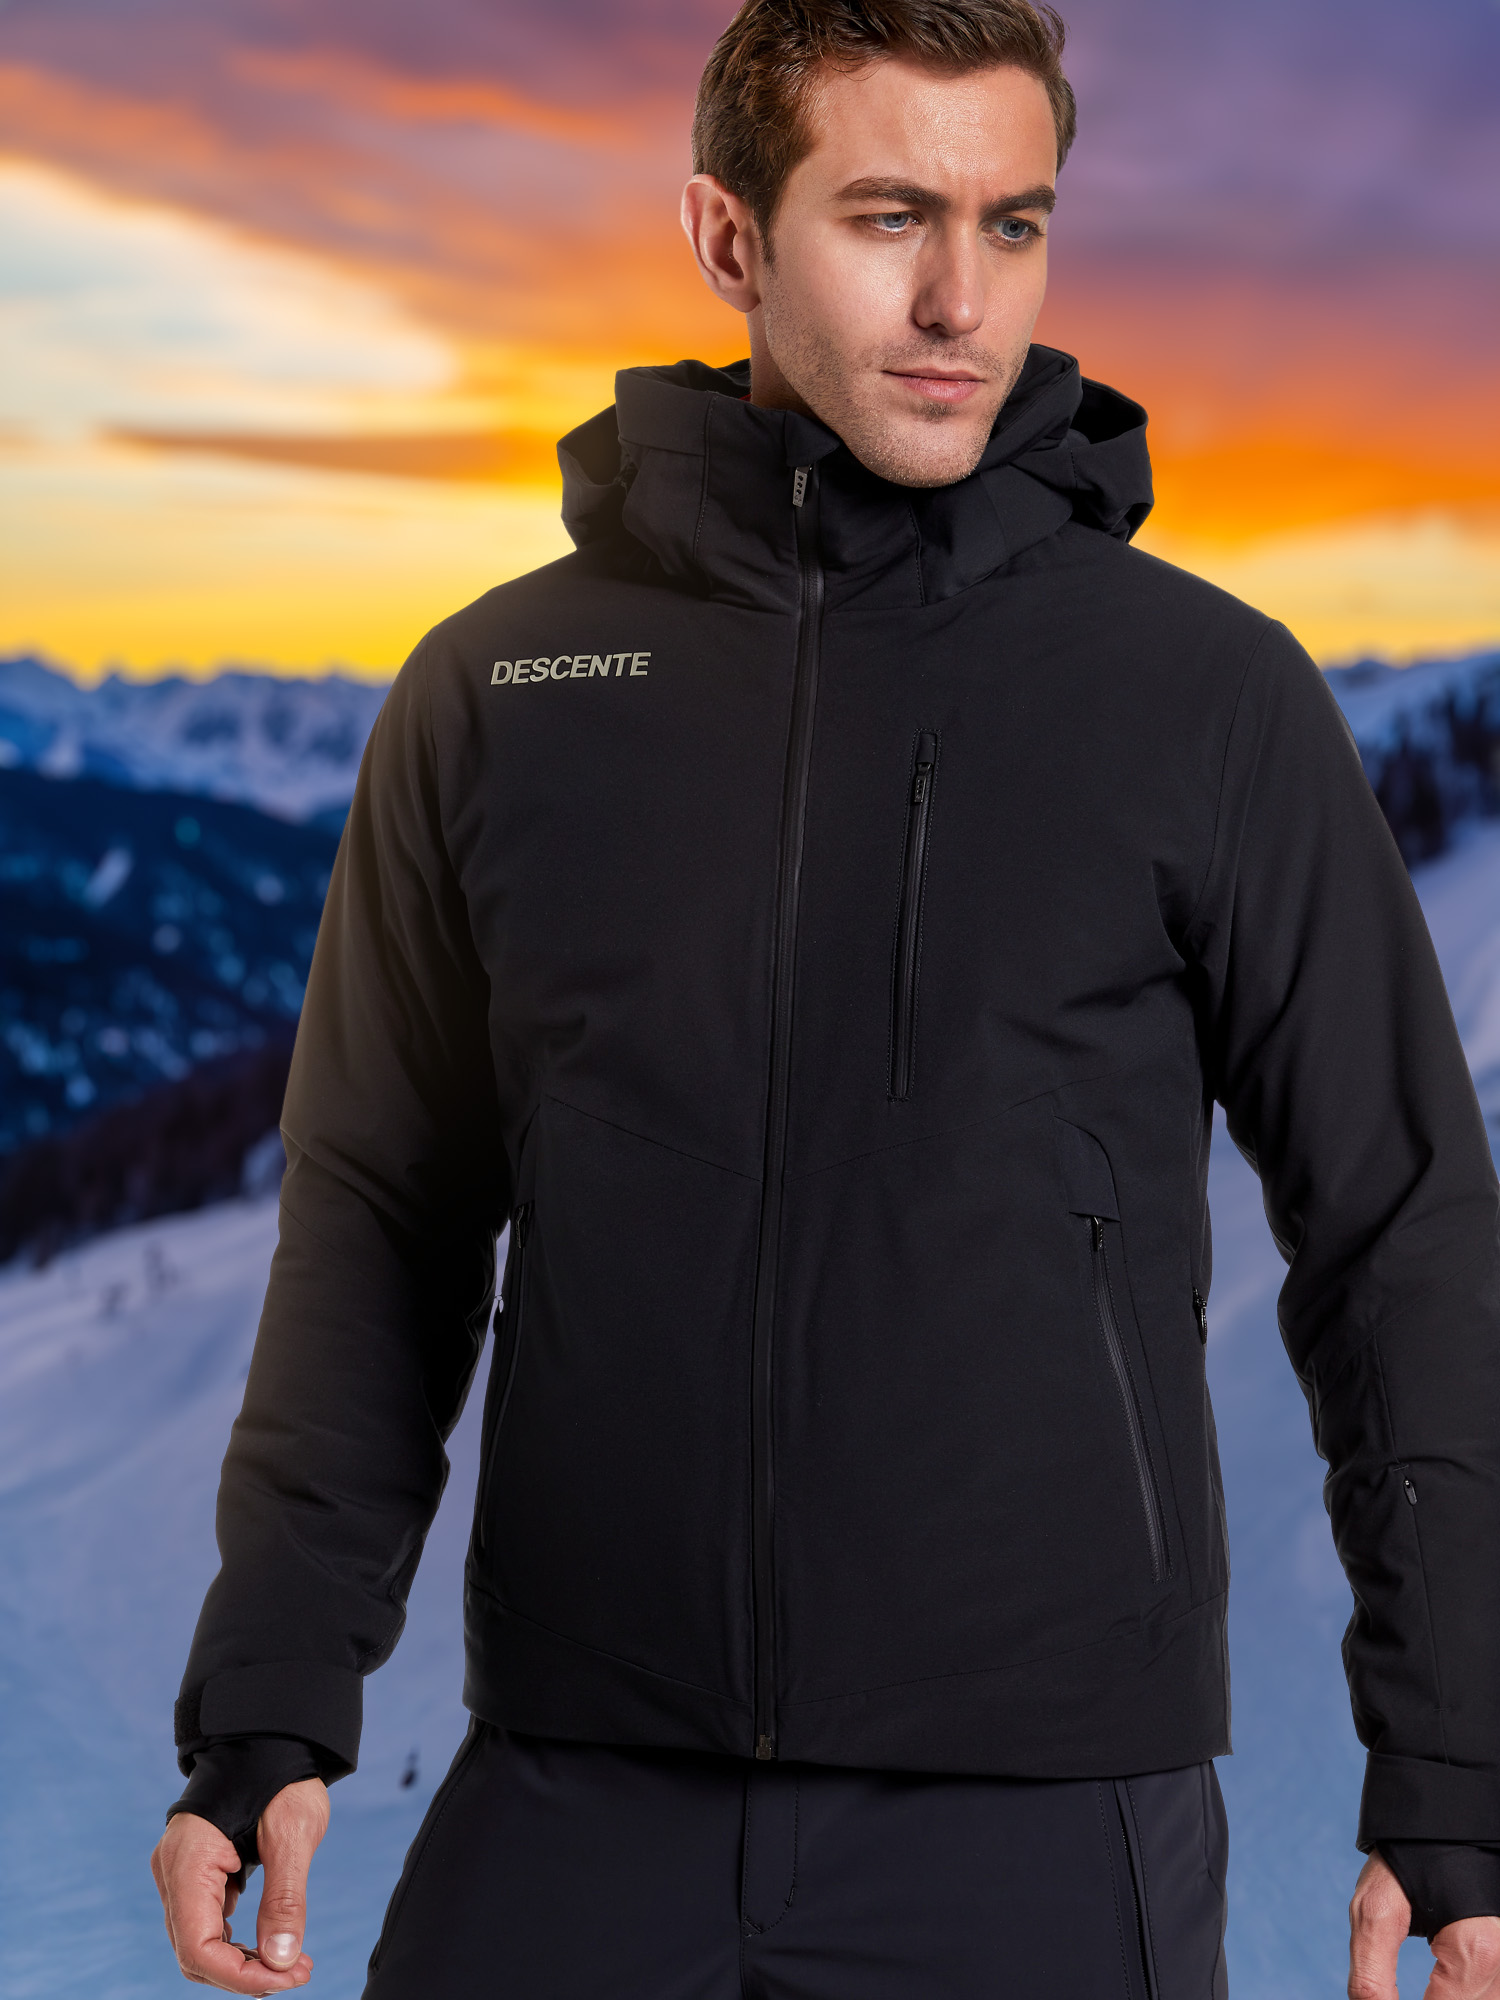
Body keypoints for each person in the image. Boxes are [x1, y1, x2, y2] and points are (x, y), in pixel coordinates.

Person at [150, 2, 1500, 1994]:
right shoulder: (501, 695)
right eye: (889, 218)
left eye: (1013, 222)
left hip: (1046, 1812)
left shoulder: (1206, 698)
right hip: (579, 1785)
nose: (963, 299)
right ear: (728, 235)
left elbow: (1400, 1237)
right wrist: (268, 1700)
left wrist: (1454, 1772)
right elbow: (381, 1219)